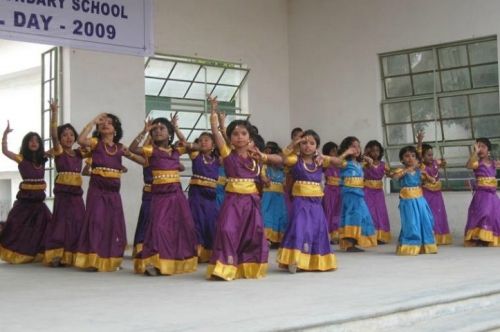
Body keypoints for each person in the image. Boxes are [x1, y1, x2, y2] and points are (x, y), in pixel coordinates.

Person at [206, 96, 268, 281]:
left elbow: (263, 176)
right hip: (233, 201)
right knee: (227, 230)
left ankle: (247, 268)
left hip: (251, 202)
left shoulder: (256, 158)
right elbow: (216, 134)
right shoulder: (227, 154)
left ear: (250, 137)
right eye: (235, 134)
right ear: (230, 138)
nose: (239, 137)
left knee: (252, 234)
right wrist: (213, 112)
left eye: (243, 133)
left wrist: (264, 180)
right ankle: (223, 268)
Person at [267, 131, 346, 273]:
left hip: (316, 203)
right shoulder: (295, 160)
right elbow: (281, 159)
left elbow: (340, 163)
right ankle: (294, 260)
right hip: (300, 201)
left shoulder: (320, 161)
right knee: (299, 228)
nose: (307, 146)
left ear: (316, 146)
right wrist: (293, 144)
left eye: (311, 143)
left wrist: (324, 156)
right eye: (304, 143)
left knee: (317, 229)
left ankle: (316, 261)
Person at [74, 113, 143, 272]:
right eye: (102, 122)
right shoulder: (95, 143)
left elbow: (142, 161)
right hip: (97, 191)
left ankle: (112, 259)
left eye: (110, 123)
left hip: (113, 193)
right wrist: (92, 121)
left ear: (115, 129)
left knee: (113, 224)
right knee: (96, 222)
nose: (105, 124)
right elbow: (80, 140)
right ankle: (92, 259)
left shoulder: (120, 148)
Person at [132, 117, 198, 276]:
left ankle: (173, 261)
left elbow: (194, 147)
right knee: (158, 227)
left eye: (162, 128)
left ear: (169, 133)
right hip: (159, 196)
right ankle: (154, 261)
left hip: (176, 195)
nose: (158, 131)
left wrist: (176, 128)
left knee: (180, 227)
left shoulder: (176, 151)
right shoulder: (151, 151)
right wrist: (144, 131)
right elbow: (133, 148)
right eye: (155, 130)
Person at [43, 100, 87, 267]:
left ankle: (76, 254)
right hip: (62, 193)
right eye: (64, 135)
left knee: (78, 221)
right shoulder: (59, 151)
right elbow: (53, 135)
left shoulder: (79, 153)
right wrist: (54, 113)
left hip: (76, 194)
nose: (68, 137)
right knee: (60, 222)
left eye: (71, 134)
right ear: (60, 139)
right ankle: (57, 255)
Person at [0, 121, 51, 263]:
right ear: (26, 144)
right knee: (17, 225)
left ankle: (38, 252)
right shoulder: (21, 158)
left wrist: (54, 115)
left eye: (36, 141)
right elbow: (5, 151)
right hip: (25, 201)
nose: (34, 143)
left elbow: (58, 149)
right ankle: (15, 251)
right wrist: (5, 135)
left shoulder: (43, 159)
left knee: (45, 226)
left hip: (39, 202)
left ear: (40, 144)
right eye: (31, 141)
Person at [392, 145, 437, 255]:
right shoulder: (401, 171)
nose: (410, 158)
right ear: (402, 159)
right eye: (407, 156)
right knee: (411, 223)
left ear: (416, 159)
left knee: (425, 221)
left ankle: (426, 246)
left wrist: (427, 175)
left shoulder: (419, 172)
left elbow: (433, 181)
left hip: (420, 201)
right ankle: (410, 246)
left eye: (413, 156)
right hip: (407, 202)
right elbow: (395, 178)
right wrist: (408, 169)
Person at [338, 136, 377, 252]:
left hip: (359, 193)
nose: (356, 149)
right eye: (353, 146)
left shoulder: (359, 164)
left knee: (362, 215)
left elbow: (371, 166)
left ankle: (355, 241)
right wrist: (346, 153)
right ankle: (350, 244)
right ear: (346, 148)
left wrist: (369, 161)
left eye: (358, 146)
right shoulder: (344, 162)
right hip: (350, 193)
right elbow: (337, 162)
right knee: (352, 215)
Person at [186, 131, 220, 263]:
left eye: (206, 140)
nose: (203, 142)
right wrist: (177, 129)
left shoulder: (217, 160)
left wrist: (221, 131)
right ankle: (196, 252)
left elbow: (228, 150)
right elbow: (187, 144)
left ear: (213, 144)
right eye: (200, 140)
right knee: (196, 221)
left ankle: (209, 251)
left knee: (211, 222)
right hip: (197, 194)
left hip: (211, 195)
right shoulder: (196, 155)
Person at [416, 131, 451, 245]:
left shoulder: (435, 163)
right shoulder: (421, 165)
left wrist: (444, 162)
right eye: (428, 155)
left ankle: (440, 236)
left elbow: (443, 163)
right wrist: (420, 141)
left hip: (437, 195)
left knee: (439, 214)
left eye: (432, 154)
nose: (431, 157)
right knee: (429, 214)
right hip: (426, 194)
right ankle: (428, 236)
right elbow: (418, 153)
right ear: (422, 156)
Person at [464, 138, 500, 247]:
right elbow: (468, 165)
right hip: (481, 195)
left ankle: (488, 237)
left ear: (488, 149)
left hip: (493, 196)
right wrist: (475, 152)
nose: (481, 149)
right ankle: (479, 236)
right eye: (478, 147)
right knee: (483, 213)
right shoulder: (476, 163)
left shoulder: (494, 163)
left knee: (495, 216)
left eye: (483, 147)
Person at [260, 141, 288, 246]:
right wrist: (265, 180)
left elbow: (285, 182)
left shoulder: (283, 170)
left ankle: (278, 239)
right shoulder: (266, 168)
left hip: (280, 195)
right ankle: (267, 237)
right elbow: (263, 177)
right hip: (268, 195)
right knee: (267, 215)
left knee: (280, 215)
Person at [363, 140, 391, 244]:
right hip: (367, 191)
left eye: (377, 151)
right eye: (373, 151)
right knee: (369, 212)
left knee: (380, 212)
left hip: (379, 192)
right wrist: (365, 155)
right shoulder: (365, 163)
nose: (375, 153)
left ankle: (381, 236)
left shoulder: (383, 165)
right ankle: (370, 236)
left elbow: (391, 173)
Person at [322, 141, 341, 242]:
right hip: (330, 190)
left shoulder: (340, 164)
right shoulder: (326, 163)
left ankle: (337, 234)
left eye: (336, 151)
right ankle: (328, 235)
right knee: (329, 211)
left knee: (338, 212)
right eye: (333, 151)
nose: (336, 153)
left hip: (340, 190)